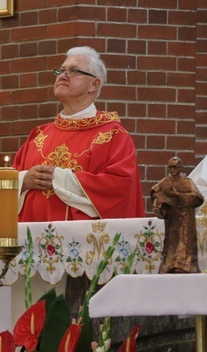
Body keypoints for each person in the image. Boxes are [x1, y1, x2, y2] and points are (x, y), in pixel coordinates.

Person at [13, 46, 144, 221]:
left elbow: (119, 189)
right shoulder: (39, 135)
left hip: (84, 243)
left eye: (74, 71)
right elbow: (2, 184)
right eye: (61, 70)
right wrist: (24, 180)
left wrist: (59, 178)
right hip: (30, 240)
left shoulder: (113, 135)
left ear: (94, 84)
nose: (63, 75)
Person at [152, 157, 204, 273]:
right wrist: (159, 209)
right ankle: (169, 266)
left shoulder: (187, 182)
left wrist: (177, 195)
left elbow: (198, 198)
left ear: (181, 167)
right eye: (170, 167)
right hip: (172, 220)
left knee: (186, 243)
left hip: (186, 219)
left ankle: (186, 267)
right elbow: (157, 195)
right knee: (172, 243)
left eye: (175, 167)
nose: (172, 170)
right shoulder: (165, 182)